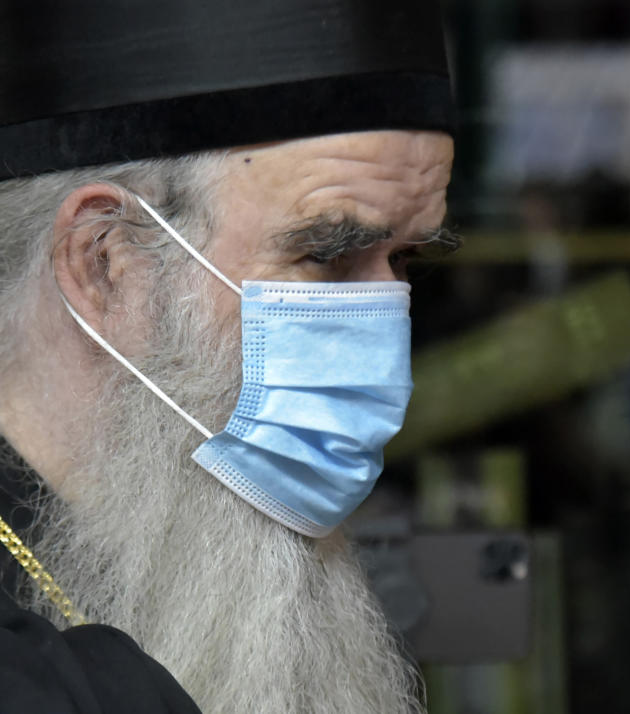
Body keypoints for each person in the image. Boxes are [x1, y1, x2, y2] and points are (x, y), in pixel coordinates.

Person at [0, 1, 456, 712]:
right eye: (327, 257)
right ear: (105, 261)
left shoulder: (225, 539)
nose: (383, 327)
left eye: (403, 260)